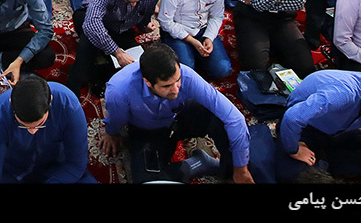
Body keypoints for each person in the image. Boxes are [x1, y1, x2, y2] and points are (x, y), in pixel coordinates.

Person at [101, 44, 254, 184]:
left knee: (228, 126)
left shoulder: (186, 74)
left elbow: (234, 118)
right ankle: (196, 164)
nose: (176, 89)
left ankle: (230, 173)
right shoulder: (119, 91)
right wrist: (111, 132)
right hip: (148, 130)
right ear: (148, 82)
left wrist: (241, 169)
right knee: (148, 179)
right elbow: (117, 119)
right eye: (167, 86)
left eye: (178, 80)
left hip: (180, 114)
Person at [0, 75, 94, 183]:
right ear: (11, 103)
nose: (32, 131)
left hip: (54, 165)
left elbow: (76, 163)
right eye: (23, 125)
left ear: (50, 101)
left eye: (40, 124)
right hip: (12, 168)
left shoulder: (68, 105)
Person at [67, 0, 161, 96]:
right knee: (82, 66)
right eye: (128, 1)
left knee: (134, 67)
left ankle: (97, 69)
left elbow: (146, 11)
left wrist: (144, 25)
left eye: (138, 1)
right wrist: (117, 52)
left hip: (123, 26)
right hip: (95, 19)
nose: (134, 5)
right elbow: (92, 22)